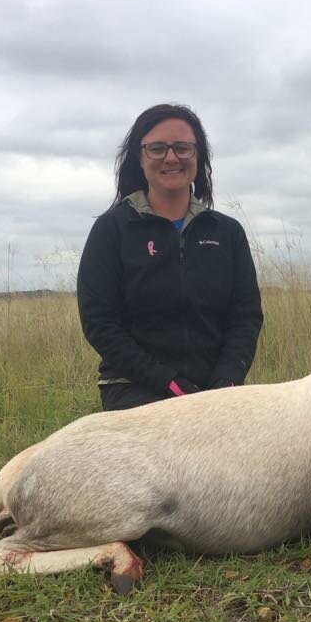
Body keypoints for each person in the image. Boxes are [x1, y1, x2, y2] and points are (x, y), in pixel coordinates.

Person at [77, 104, 263, 411]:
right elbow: (100, 323)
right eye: (157, 148)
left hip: (217, 389)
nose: (171, 157)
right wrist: (167, 381)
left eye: (182, 148)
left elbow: (245, 317)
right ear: (140, 157)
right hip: (134, 388)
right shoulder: (112, 229)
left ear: (198, 155)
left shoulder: (228, 232)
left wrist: (227, 381)